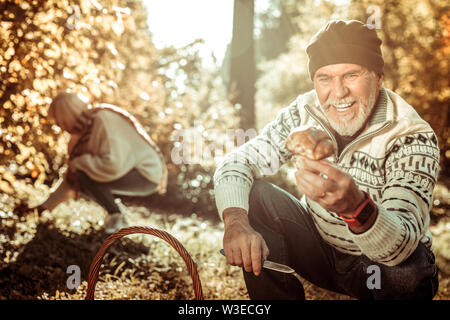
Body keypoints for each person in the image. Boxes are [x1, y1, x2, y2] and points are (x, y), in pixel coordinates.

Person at [214, 20, 440, 299]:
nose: (339, 92)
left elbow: (402, 246)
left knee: (408, 269)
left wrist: (358, 210)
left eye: (351, 75)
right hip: (320, 253)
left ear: (378, 77)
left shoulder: (411, 136)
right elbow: (238, 161)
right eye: (325, 78)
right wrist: (236, 220)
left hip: (380, 269)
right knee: (257, 195)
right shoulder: (303, 112)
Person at [27, 92, 168, 233]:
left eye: (59, 121)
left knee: (83, 174)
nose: (59, 126)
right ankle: (117, 213)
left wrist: (79, 163)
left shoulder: (102, 119)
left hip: (146, 174)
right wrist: (42, 208)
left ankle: (117, 218)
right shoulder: (79, 136)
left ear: (67, 116)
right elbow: (71, 178)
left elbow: (112, 165)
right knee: (80, 174)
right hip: (132, 172)